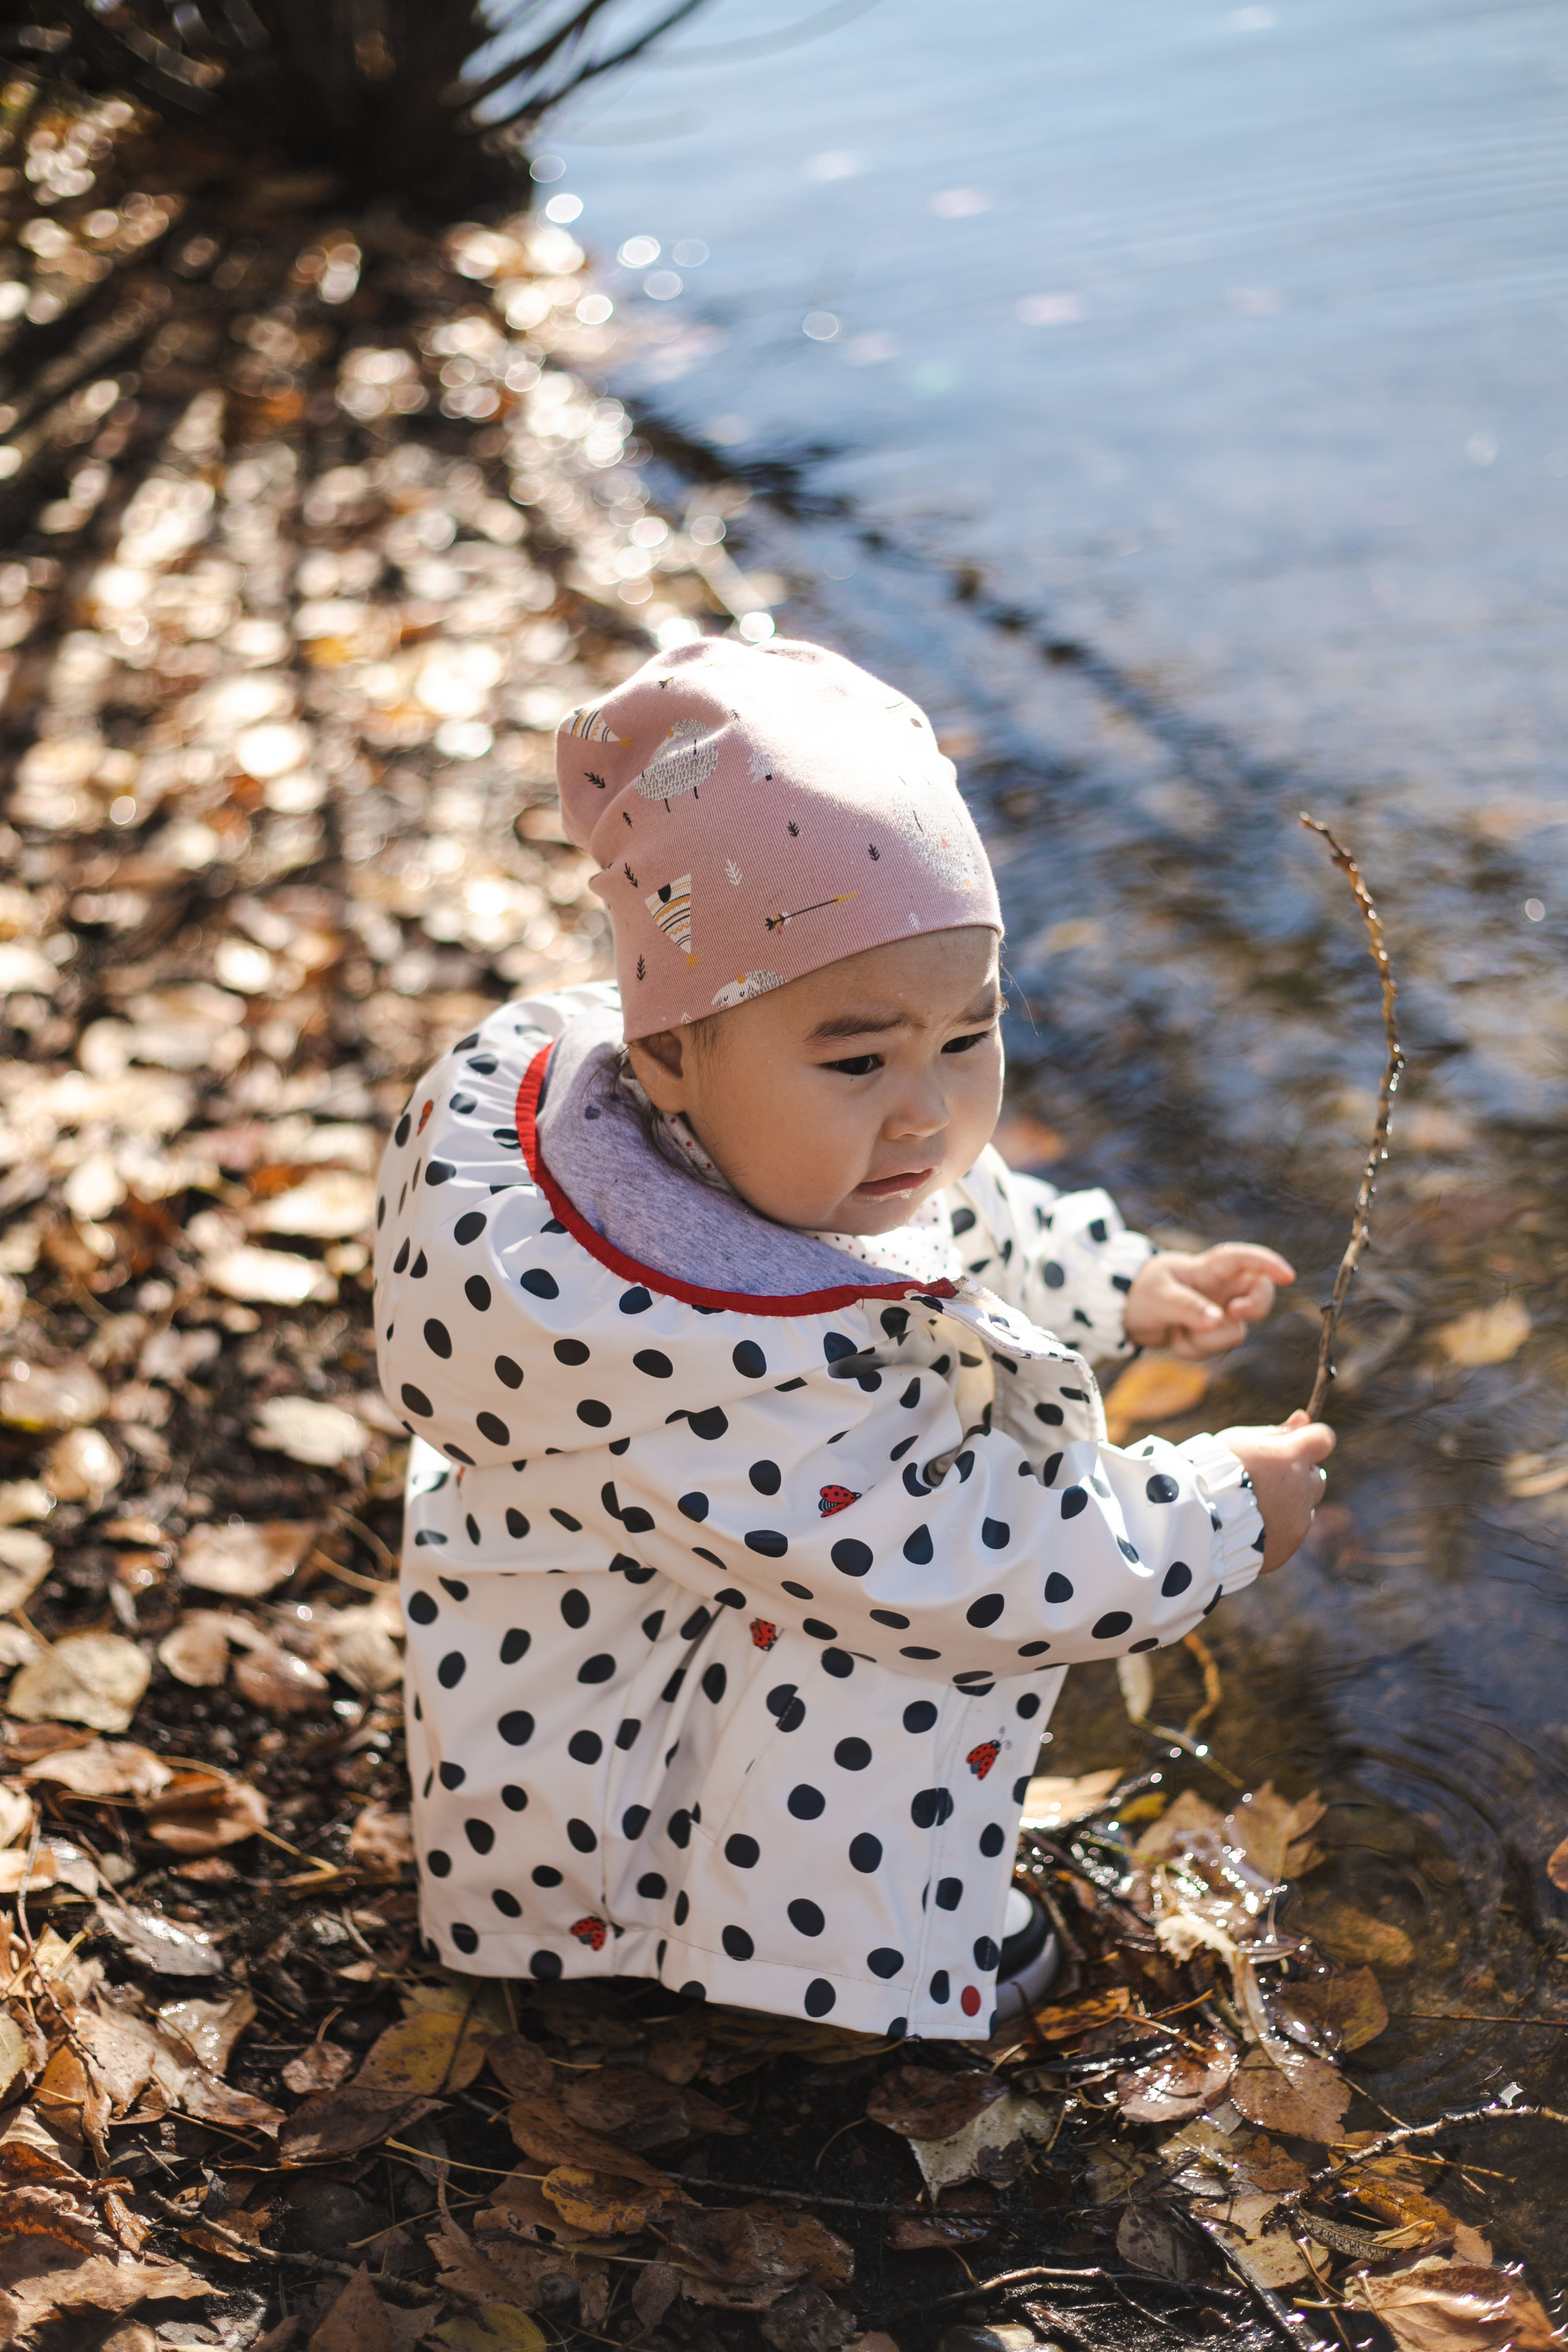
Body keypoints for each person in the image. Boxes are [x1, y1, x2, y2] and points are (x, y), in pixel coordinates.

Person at [375, 635, 1333, 2041]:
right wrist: (1215, 1515)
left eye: (969, 1033)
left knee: (854, 1612)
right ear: (666, 1056)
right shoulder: (691, 1350)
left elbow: (964, 1222)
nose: (925, 1113)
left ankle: (775, 1918)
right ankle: (794, 1983)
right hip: (611, 1777)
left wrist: (1120, 1281)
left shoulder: (769, 1153)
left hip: (684, 1641)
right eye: (857, 1056)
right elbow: (965, 1561)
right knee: (903, 1657)